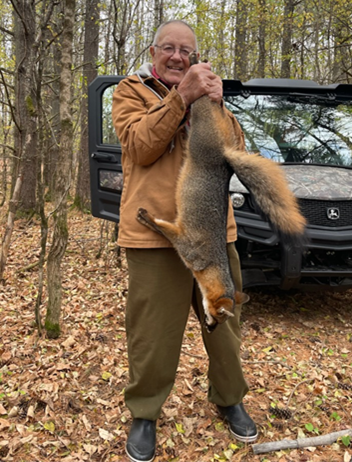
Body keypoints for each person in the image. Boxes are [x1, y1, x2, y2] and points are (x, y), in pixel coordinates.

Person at [112, 19, 258, 462]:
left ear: (194, 58)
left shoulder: (208, 97)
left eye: (186, 52)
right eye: (169, 49)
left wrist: (216, 105)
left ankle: (230, 398)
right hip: (154, 235)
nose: (178, 57)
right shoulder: (130, 91)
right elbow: (139, 146)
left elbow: (236, 150)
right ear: (153, 53)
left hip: (213, 231)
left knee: (225, 325)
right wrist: (184, 97)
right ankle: (145, 413)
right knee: (153, 334)